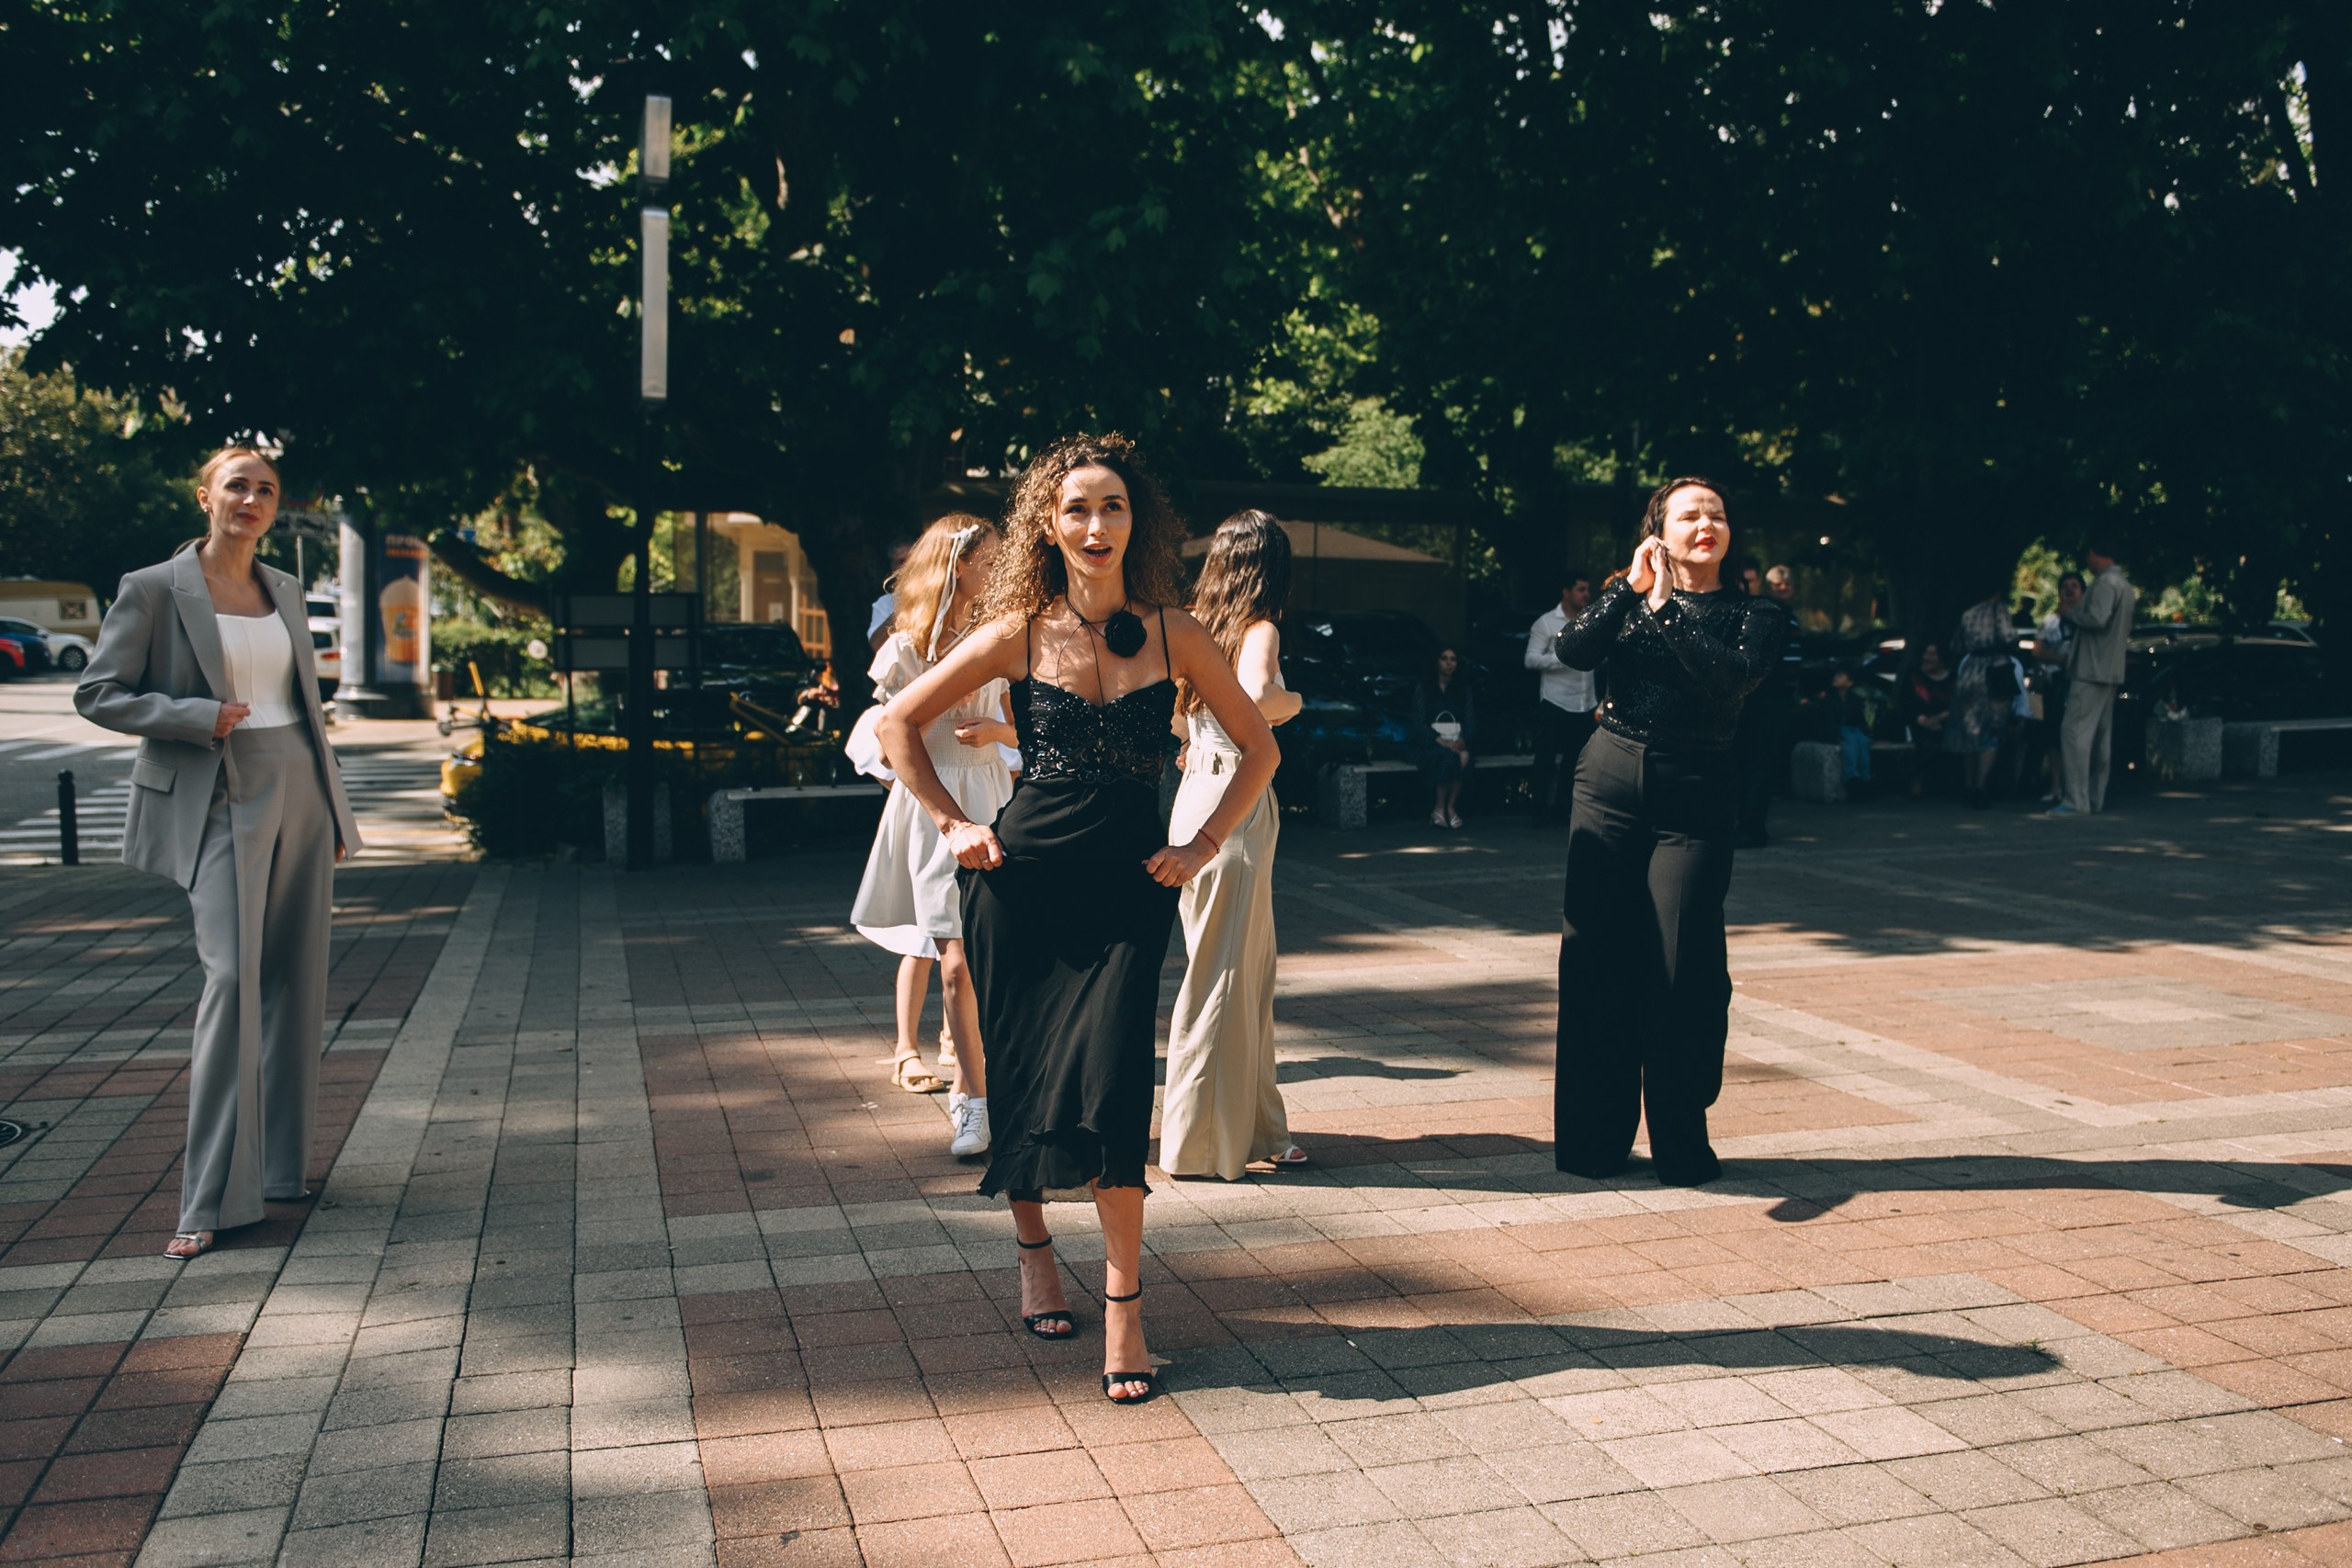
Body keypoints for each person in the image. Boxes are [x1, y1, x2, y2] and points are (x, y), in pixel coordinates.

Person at [876, 433, 1277, 1405]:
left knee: (1110, 1095)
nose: (1095, 526)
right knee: (1020, 1083)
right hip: (1021, 883)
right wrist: (953, 823)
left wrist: (1199, 845)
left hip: (1125, 892)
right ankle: (1033, 1257)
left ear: (1138, 523)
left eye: (1113, 508)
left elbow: (1258, 750)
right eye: (1076, 510)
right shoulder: (1017, 629)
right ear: (1047, 527)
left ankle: (1127, 1310)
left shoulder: (1177, 631)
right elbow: (897, 725)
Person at [75, 447, 361, 1259]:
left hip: (301, 786)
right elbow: (98, 691)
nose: (252, 498)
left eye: (266, 489)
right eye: (238, 485)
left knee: (297, 982)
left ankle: (279, 1170)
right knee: (232, 982)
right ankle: (208, 1199)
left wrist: (336, 808)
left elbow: (306, 704)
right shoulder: (154, 588)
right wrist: (192, 714)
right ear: (206, 495)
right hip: (219, 789)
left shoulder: (285, 589)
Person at [1551, 477, 1786, 1186]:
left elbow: (1728, 682)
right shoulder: (1630, 595)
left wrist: (1666, 610)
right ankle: (1592, 1143)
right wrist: (1630, 587)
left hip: (1697, 788)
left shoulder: (1756, 614)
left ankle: (1681, 1144)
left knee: (1682, 966)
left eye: (1716, 513)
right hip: (1610, 774)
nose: (1707, 523)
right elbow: (1572, 650)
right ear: (1659, 530)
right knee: (1594, 956)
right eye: (1690, 514)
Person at [849, 514, 1011, 1157]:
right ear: (955, 564)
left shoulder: (1004, 634)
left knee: (1003, 956)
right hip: (935, 807)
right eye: (988, 558)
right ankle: (971, 1101)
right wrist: (939, 807)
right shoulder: (904, 649)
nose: (999, 568)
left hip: (995, 793)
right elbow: (889, 739)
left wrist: (999, 733)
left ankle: (1006, 1082)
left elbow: (1041, 728)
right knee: (955, 959)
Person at [1161, 512, 1306, 1181]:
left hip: (1196, 792)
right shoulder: (1260, 628)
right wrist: (1296, 700)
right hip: (1236, 801)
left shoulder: (1197, 621)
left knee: (1243, 970)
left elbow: (1175, 717)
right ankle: (1198, 1144)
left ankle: (1261, 1129)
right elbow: (1259, 696)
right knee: (1225, 977)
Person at [2050, 538, 2136, 817]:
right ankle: (2094, 797)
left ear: (2094, 554)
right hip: (2109, 668)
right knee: (2100, 736)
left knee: (2074, 731)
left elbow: (2098, 619)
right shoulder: (2124, 585)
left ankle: (2076, 799)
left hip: (2091, 667)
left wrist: (2072, 614)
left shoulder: (2105, 584)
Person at [1732, 562, 1802, 847]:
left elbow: (1791, 664)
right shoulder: (1761, 612)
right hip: (1752, 698)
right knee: (1747, 762)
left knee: (1757, 763)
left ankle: (1750, 825)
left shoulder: (1774, 613)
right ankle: (1748, 824)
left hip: (1767, 698)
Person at [1524, 571, 1599, 826]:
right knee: (1545, 758)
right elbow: (1530, 659)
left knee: (1575, 761)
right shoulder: (1545, 623)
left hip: (1585, 701)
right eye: (1581, 589)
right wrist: (1562, 658)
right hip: (1555, 701)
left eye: (1587, 590)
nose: (1586, 595)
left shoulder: (1590, 621)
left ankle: (1563, 810)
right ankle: (1539, 811)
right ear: (1566, 592)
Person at [1946, 589, 2020, 808]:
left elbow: (1956, 645)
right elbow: (2009, 636)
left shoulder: (1968, 614)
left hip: (1970, 672)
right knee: (1990, 729)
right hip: (1994, 672)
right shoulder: (1999, 610)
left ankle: (1968, 784)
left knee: (1970, 730)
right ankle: (1981, 784)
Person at [2032, 571, 2085, 802]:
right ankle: (2055, 785)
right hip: (2055, 682)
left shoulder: (2086, 620)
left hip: (2080, 682)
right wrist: (2059, 659)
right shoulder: (2050, 621)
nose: (2069, 591)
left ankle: (2077, 786)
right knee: (2053, 735)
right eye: (2065, 586)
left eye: (2074, 586)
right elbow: (2037, 650)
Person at [1412, 646, 1476, 829]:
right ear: (1436, 662)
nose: (1449, 663)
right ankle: (1440, 807)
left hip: (1456, 740)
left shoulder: (1462, 690)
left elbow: (1470, 719)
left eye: (1453, 659)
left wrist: (1462, 740)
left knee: (1464, 757)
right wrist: (1440, 740)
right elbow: (1419, 723)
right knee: (1448, 757)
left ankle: (1450, 807)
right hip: (1430, 742)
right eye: (1444, 659)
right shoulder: (1424, 689)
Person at [1897, 641, 1955, 797]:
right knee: (1925, 738)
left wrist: (1940, 718)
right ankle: (1918, 780)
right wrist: (1921, 718)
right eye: (1926, 654)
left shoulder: (1952, 678)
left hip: (1945, 720)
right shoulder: (1915, 676)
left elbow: (1958, 704)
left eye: (1932, 654)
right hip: (1918, 720)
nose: (1927, 658)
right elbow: (1906, 703)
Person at [866, 536, 918, 652]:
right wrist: (904, 607)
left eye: (913, 559)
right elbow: (876, 644)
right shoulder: (883, 604)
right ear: (893, 567)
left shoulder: (938, 595)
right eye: (902, 562)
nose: (908, 565)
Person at [1831, 667, 1872, 784]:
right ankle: (1851, 775)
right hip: (1840, 730)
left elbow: (1861, 720)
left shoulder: (1856, 699)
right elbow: (1828, 721)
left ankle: (1864, 775)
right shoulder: (1829, 699)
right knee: (1850, 741)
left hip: (1853, 730)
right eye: (1836, 675)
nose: (1836, 678)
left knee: (1863, 741)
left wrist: (1866, 733)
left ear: (1850, 682)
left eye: (1840, 676)